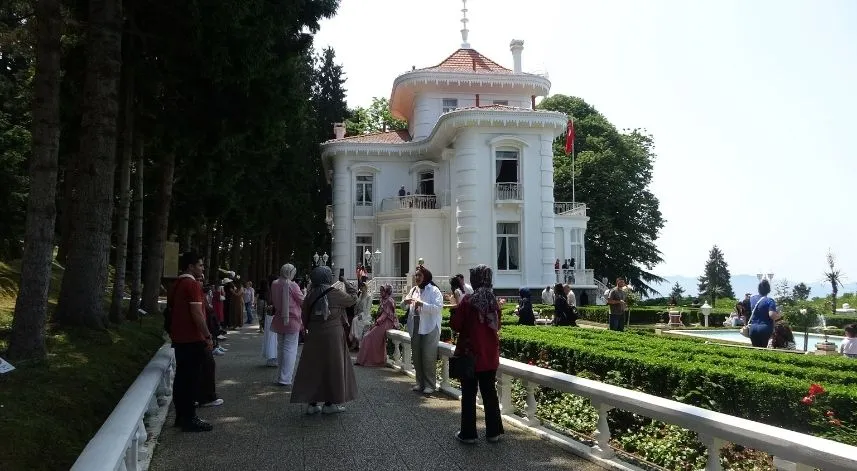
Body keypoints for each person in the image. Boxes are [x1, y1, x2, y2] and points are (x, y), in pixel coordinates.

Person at [291, 266, 359, 414]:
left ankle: (312, 404)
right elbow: (353, 298)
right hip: (333, 335)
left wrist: (312, 326)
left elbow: (304, 316)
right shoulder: (335, 293)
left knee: (313, 368)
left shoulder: (310, 294)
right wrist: (346, 282)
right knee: (333, 368)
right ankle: (330, 403)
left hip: (315, 334)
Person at [450, 264, 504, 445]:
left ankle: (469, 434)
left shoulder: (468, 301)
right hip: (489, 355)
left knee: (469, 394)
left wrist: (455, 309)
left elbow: (456, 325)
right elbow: (498, 326)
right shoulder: (493, 301)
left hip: (470, 354)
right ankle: (493, 432)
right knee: (490, 393)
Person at [168, 252, 214, 432]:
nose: (202, 268)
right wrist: (208, 336)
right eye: (200, 265)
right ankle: (190, 418)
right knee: (192, 380)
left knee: (181, 379)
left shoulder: (177, 284)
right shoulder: (192, 285)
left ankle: (181, 416)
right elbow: (197, 314)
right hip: (192, 338)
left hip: (179, 338)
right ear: (190, 266)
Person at [402, 265, 444, 394]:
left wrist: (422, 304)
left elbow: (438, 308)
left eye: (420, 275)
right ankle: (419, 383)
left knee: (428, 355)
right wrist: (406, 301)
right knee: (417, 356)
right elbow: (403, 306)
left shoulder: (434, 290)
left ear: (426, 276)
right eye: (416, 275)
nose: (417, 278)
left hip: (430, 326)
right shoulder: (414, 290)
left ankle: (430, 385)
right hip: (415, 325)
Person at [271, 264, 304, 386]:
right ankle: (285, 378)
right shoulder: (292, 285)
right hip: (292, 319)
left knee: (280, 348)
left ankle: (280, 376)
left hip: (279, 318)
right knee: (290, 349)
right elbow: (302, 301)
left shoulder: (274, 283)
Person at [356, 284, 400, 366]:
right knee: (366, 336)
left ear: (387, 291)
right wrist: (376, 322)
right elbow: (380, 314)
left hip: (387, 322)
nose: (380, 292)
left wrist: (377, 322)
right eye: (380, 290)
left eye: (382, 291)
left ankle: (374, 360)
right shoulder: (383, 300)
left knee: (369, 337)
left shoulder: (389, 301)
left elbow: (386, 315)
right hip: (382, 322)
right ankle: (366, 360)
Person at [748, 279, 781, 348]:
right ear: (768, 290)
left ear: (758, 289)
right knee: (763, 351)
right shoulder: (770, 300)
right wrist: (779, 315)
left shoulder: (752, 299)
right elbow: (772, 315)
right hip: (765, 329)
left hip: (753, 328)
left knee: (756, 351)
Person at [350, 281, 372, 350]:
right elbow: (356, 306)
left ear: (365, 287)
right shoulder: (360, 295)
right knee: (354, 320)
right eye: (360, 287)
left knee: (355, 321)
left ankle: (356, 342)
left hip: (365, 315)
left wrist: (361, 315)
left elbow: (367, 310)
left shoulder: (369, 297)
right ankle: (355, 342)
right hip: (358, 314)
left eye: (362, 287)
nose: (361, 288)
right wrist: (356, 313)